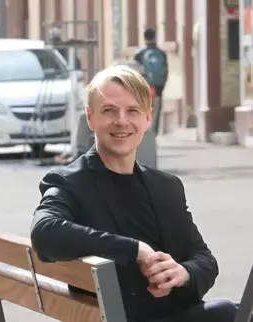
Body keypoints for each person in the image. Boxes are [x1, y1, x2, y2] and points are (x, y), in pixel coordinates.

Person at [30, 65, 238, 321]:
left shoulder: (167, 186)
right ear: (90, 118)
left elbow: (203, 258)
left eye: (132, 111)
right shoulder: (70, 182)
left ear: (147, 119)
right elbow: (45, 232)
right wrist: (136, 250)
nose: (122, 120)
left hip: (178, 313)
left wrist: (184, 273)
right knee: (229, 313)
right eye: (109, 110)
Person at [134, 28, 168, 135]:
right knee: (156, 112)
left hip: (144, 87)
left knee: (143, 110)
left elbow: (135, 72)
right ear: (155, 37)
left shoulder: (139, 54)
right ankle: (153, 135)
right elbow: (166, 71)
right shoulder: (161, 53)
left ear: (144, 38)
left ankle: (143, 134)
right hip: (158, 87)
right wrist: (161, 86)